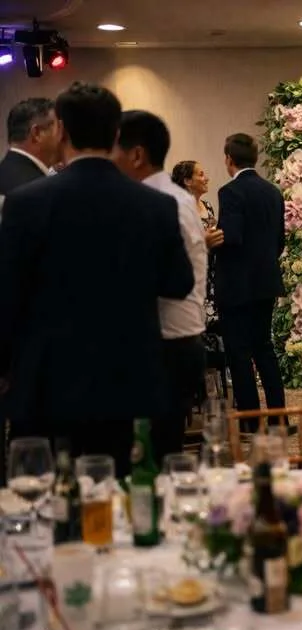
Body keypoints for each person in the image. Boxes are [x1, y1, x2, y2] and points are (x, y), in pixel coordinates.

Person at [0, 82, 194, 477]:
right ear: (116, 134)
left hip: (47, 383)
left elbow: (8, 297)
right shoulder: (156, 205)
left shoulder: (26, 203)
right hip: (132, 379)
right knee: (129, 499)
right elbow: (178, 283)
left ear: (63, 132)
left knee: (48, 508)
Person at [113, 111, 208, 463]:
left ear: (136, 155)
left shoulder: (162, 204)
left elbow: (168, 278)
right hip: (170, 340)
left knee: (155, 454)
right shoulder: (168, 199)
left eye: (112, 149)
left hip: (168, 343)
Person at [0, 97, 61, 486]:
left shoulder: (9, 178)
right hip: (31, 347)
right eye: (57, 126)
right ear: (37, 133)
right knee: (36, 458)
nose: (63, 134)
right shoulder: (32, 191)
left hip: (17, 344)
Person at [215, 133, 286, 427]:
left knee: (239, 352)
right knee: (264, 348)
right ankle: (277, 416)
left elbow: (231, 237)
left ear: (228, 159)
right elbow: (279, 241)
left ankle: (250, 419)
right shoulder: (273, 192)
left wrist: (208, 241)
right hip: (266, 280)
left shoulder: (230, 192)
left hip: (237, 284)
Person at [172, 160, 226, 397]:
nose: (206, 178)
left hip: (211, 274)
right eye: (200, 174)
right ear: (187, 181)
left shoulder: (207, 206)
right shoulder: (177, 209)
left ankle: (212, 385)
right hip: (189, 276)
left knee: (213, 331)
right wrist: (201, 243)